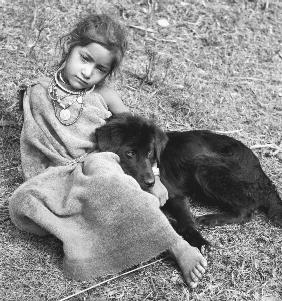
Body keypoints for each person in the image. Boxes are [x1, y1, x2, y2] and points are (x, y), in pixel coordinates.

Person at [9, 14, 207, 288]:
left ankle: (176, 245)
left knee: (114, 181)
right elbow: (36, 145)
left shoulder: (105, 95)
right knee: (23, 202)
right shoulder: (38, 92)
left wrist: (157, 178)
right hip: (57, 174)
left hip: (99, 164)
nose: (88, 72)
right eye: (84, 58)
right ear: (70, 48)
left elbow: (142, 137)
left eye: (100, 69)